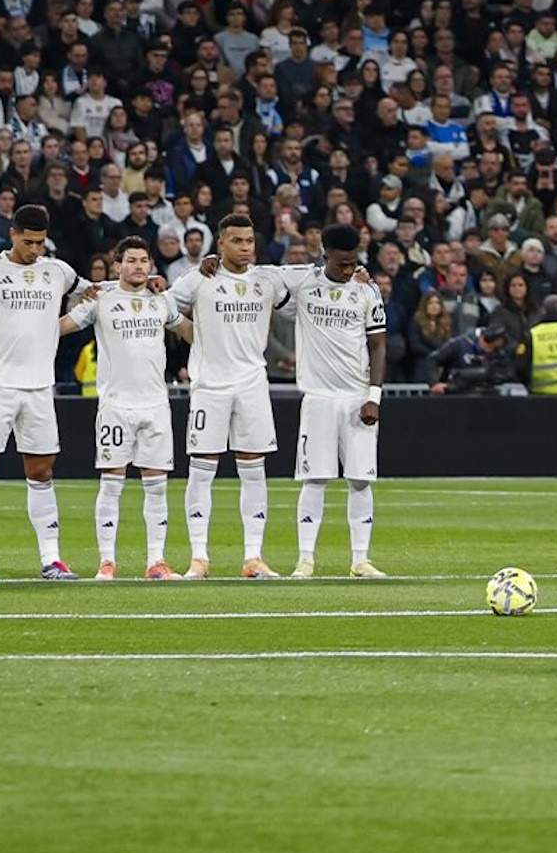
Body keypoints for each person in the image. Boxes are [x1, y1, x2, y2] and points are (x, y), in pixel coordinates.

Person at [169, 210, 318, 579]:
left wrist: (360, 276)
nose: (245, 247)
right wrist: (193, 334)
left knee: (254, 470)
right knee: (202, 470)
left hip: (252, 385)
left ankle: (253, 558)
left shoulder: (268, 279)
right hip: (210, 387)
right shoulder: (198, 279)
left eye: (249, 241)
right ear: (220, 244)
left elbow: (320, 274)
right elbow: (164, 307)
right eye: (236, 240)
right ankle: (199, 558)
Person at [0, 202, 87, 579]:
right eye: (28, 242)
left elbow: (91, 293)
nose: (35, 251)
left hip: (39, 388)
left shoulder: (58, 271)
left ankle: (51, 558)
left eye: (40, 243)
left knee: (42, 469)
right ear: (12, 234)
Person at [66, 235, 191, 580]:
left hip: (155, 404)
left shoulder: (161, 300)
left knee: (157, 485)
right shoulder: (101, 300)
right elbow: (62, 327)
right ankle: (107, 561)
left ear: (151, 265)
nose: (138, 266)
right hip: (115, 405)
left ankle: (156, 561)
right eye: (130, 261)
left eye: (143, 261)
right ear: (116, 265)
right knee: (111, 483)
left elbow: (190, 332)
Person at [290, 220, 388, 580]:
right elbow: (261, 279)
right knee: (314, 479)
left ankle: (360, 560)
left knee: (361, 480)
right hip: (317, 398)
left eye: (353, 262)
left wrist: (374, 396)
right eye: (341, 263)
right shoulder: (303, 286)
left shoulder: (367, 292)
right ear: (324, 254)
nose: (348, 269)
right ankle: (305, 560)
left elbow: (378, 345)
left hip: (356, 398)